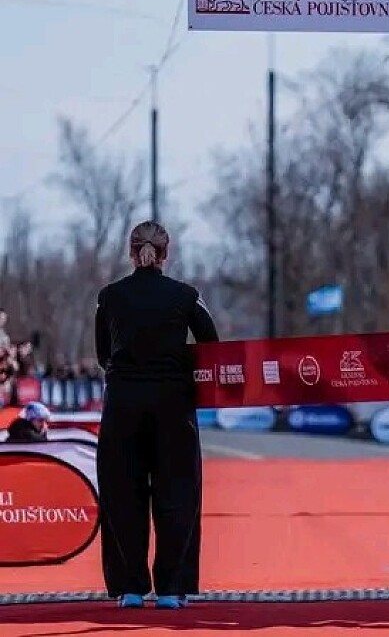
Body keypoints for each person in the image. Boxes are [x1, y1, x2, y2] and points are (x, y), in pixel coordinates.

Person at [94, 221, 219, 610]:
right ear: (167, 253)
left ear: (130, 252)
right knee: (177, 493)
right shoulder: (186, 295)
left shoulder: (110, 296)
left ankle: (130, 588)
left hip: (123, 406)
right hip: (172, 405)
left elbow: (103, 354)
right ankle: (170, 588)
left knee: (123, 493)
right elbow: (211, 344)